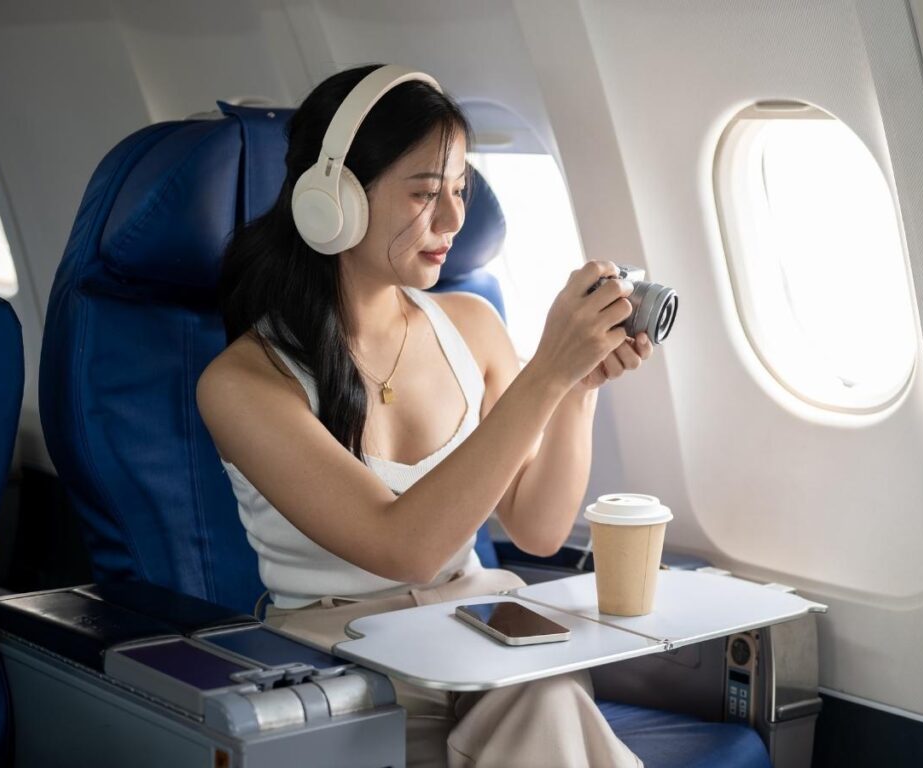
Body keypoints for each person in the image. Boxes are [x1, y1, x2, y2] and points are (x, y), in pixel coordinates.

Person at [197, 64, 654, 768]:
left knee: (543, 696)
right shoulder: (244, 383)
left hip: (480, 633)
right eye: (423, 194)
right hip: (349, 669)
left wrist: (579, 387)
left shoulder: (471, 326)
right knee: (547, 710)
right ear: (334, 200)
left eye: (460, 191)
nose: (451, 221)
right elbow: (401, 545)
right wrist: (546, 374)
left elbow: (536, 529)